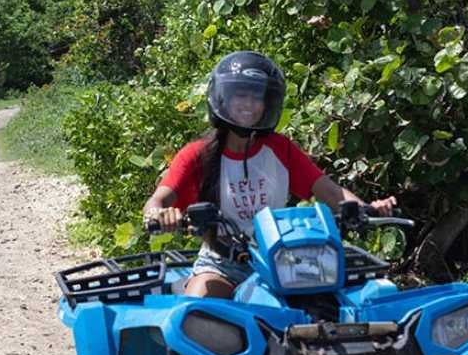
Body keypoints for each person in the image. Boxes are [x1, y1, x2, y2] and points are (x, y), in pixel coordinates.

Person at [143, 51, 396, 298]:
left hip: (283, 259)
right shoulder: (197, 155)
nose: (249, 105)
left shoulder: (280, 148)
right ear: (222, 98)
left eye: (257, 97)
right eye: (240, 95)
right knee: (198, 314)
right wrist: (159, 214)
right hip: (222, 263)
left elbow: (330, 191)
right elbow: (158, 200)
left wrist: (366, 209)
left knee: (327, 314)